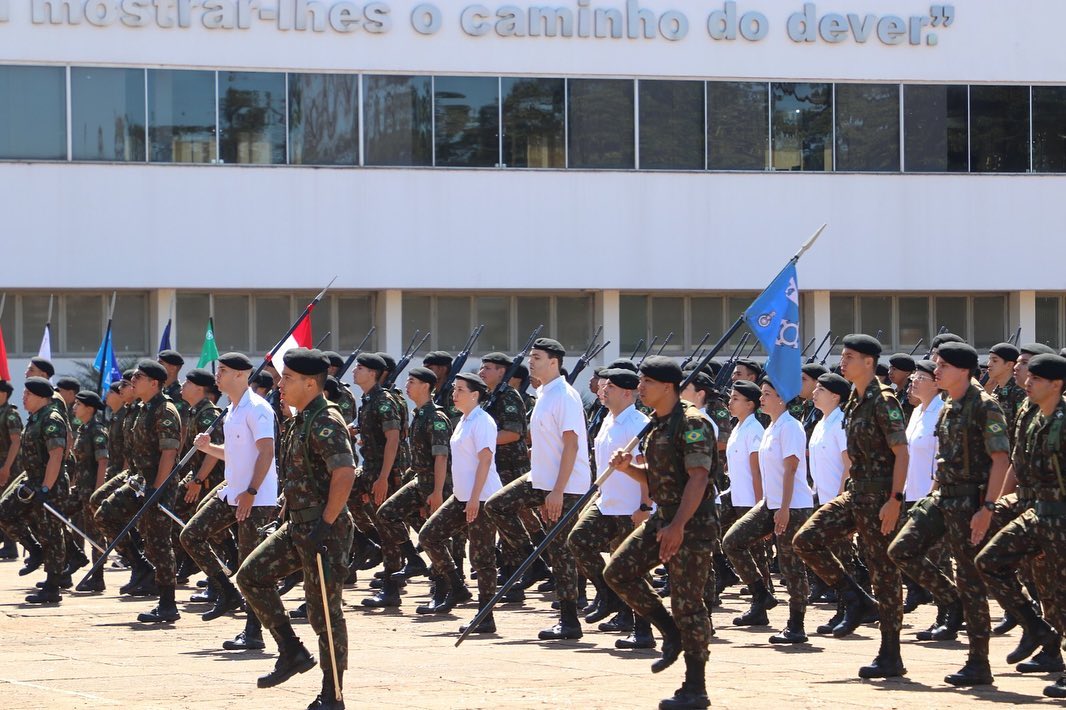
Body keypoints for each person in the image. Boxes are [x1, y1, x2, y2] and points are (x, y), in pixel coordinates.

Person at [236, 348, 356, 710]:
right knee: (251, 575)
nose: (280, 384)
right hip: (298, 524)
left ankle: (332, 694)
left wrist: (326, 523)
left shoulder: (325, 420)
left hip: (323, 529)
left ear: (309, 382)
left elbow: (345, 472)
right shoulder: (298, 420)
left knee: (323, 612)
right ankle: (290, 650)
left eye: (287, 378)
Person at [888, 342, 1010, 687]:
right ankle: (948, 599)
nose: (935, 371)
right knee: (902, 549)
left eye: (941, 366)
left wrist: (988, 508)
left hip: (972, 502)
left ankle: (979, 661)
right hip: (942, 498)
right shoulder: (947, 407)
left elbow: (1001, 460)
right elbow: (942, 459)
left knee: (971, 581)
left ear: (962, 370)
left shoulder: (985, 406)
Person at [603, 356, 717, 710]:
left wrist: (678, 526)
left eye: (645, 382)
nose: (640, 388)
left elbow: (698, 477)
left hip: (692, 522)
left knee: (688, 603)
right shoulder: (658, 423)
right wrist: (629, 469)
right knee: (618, 571)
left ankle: (695, 687)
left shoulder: (692, 422)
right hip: (662, 515)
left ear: (666, 386)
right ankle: (669, 633)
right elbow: (658, 475)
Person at [793, 334, 910, 679]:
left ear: (869, 363)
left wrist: (895, 500)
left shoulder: (883, 400)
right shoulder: (855, 402)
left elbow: (901, 452)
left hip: (879, 497)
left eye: (849, 357)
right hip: (856, 492)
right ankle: (856, 598)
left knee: (884, 573)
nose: (842, 362)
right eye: (842, 356)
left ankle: (891, 653)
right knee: (806, 540)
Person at [484, 337, 592, 641]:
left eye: (538, 357)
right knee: (497, 505)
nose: (531, 361)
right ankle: (530, 560)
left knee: (562, 550)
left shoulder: (564, 396)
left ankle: (570, 620)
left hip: (565, 484)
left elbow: (571, 444)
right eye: (531, 356)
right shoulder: (543, 393)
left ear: (554, 362)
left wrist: (557, 491)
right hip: (540, 479)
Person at [976, 353, 1066, 699]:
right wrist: (998, 503)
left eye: (1036, 379)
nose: (1027, 382)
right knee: (989, 561)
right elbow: (1016, 462)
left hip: (1060, 515)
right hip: (1036, 511)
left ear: (1056, 384)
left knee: (1059, 594)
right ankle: (1035, 628)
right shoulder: (1028, 413)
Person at [181, 353, 280, 651]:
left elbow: (266, 452)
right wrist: (210, 448)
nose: (218, 376)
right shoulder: (233, 410)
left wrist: (251, 491)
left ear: (241, 375)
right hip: (233, 492)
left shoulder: (258, 409)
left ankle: (253, 632)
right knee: (191, 535)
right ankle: (226, 591)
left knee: (250, 568)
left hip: (256, 498)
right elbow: (237, 454)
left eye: (223, 371)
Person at [723, 377, 813, 644]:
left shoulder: (791, 427)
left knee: (791, 566)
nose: (762, 398)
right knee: (732, 541)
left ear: (781, 399)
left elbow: (791, 469)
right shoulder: (772, 427)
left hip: (792, 506)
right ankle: (761, 594)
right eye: (761, 394)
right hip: (770, 503)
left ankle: (796, 625)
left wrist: (784, 508)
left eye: (767, 394)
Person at [567, 368, 652, 647]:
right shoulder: (607, 419)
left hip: (631, 507)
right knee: (578, 540)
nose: (603, 391)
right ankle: (609, 595)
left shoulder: (638, 423)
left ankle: (643, 631)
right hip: (606, 503)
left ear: (628, 393)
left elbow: (647, 469)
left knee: (634, 569)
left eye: (610, 388)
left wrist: (645, 505)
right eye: (603, 387)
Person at [95, 360, 183, 623]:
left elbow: (169, 452)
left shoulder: (164, 410)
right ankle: (140, 566)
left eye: (140, 377)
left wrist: (157, 489)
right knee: (105, 515)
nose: (133, 380)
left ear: (154, 383)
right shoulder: (141, 409)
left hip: (159, 485)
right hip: (137, 482)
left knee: (158, 541)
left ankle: (168, 603)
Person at [419, 372, 502, 632]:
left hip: (483, 498)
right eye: (454, 389)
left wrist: (476, 498)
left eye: (460, 390)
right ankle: (456, 586)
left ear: (475, 394)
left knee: (481, 557)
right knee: (429, 535)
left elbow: (485, 460)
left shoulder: (482, 421)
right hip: (462, 497)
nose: (454, 394)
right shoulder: (463, 421)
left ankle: (485, 616)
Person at [363, 366, 451, 609]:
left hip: (435, 486)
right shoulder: (420, 414)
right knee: (387, 514)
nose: (407, 386)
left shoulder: (436, 418)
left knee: (435, 538)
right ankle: (413, 560)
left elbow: (441, 458)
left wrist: (436, 492)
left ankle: (444, 590)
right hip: (419, 482)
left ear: (425, 386)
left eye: (412, 382)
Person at [0, 377, 69, 602]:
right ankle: (34, 549)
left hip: (49, 484)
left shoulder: (51, 418)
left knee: (51, 533)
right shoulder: (35, 418)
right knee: (5, 513)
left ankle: (52, 586)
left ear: (41, 396)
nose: (24, 398)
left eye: (28, 394)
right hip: (32, 482)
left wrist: (46, 488)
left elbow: (57, 454)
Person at [476, 351, 535, 604]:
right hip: (497, 468)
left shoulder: (508, 396)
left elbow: (513, 433)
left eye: (487, 368)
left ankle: (519, 574)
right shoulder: (490, 397)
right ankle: (512, 575)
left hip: (511, 468)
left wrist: (479, 442)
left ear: (502, 372)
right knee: (501, 525)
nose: (482, 372)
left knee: (509, 523)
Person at [900, 360, 943, 618]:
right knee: (911, 550)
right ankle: (919, 590)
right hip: (911, 492)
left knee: (937, 557)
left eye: (920, 377)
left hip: (931, 494)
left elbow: (942, 456)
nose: (913, 380)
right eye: (914, 376)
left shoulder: (941, 411)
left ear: (936, 383)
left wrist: (934, 492)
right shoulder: (917, 412)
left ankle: (946, 614)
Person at [65, 390, 109, 591]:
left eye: (78, 405)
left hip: (92, 490)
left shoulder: (97, 430)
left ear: (89, 408)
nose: (74, 407)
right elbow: (79, 462)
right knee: (56, 515)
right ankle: (75, 556)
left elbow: (103, 462)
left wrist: (98, 491)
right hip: (80, 489)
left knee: (94, 535)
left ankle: (97, 577)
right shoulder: (83, 429)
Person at [0, 379, 24, 560]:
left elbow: (16, 442)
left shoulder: (10, 415)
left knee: (6, 506)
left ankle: (10, 546)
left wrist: (7, 467)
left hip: (8, 467)